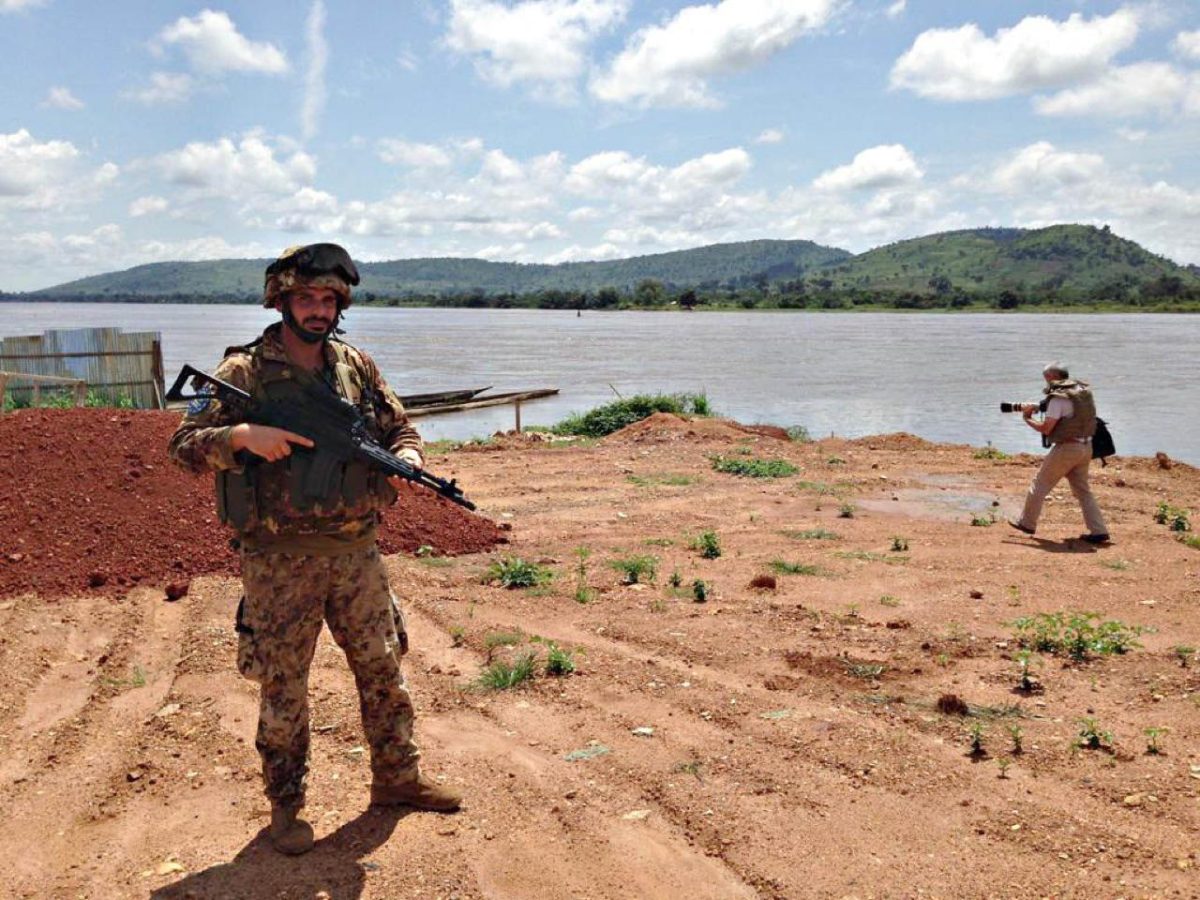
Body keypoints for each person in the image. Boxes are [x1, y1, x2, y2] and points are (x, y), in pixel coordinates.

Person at [168, 243, 460, 856]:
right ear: (281, 299)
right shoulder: (243, 371)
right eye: (306, 297)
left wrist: (408, 456)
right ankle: (286, 807)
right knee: (284, 686)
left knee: (383, 666)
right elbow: (184, 442)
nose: (319, 309)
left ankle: (397, 779)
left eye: (329, 299)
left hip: (356, 553)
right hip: (280, 560)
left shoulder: (354, 366)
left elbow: (399, 426)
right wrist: (244, 435)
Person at [1008, 363, 1110, 544]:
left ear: (1051, 378)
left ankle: (1027, 523)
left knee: (1039, 484)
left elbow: (1047, 429)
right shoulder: (1081, 390)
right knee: (1083, 490)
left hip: (1067, 448)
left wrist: (1027, 418)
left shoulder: (1058, 399)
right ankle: (1099, 530)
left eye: (1046, 378)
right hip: (1086, 446)